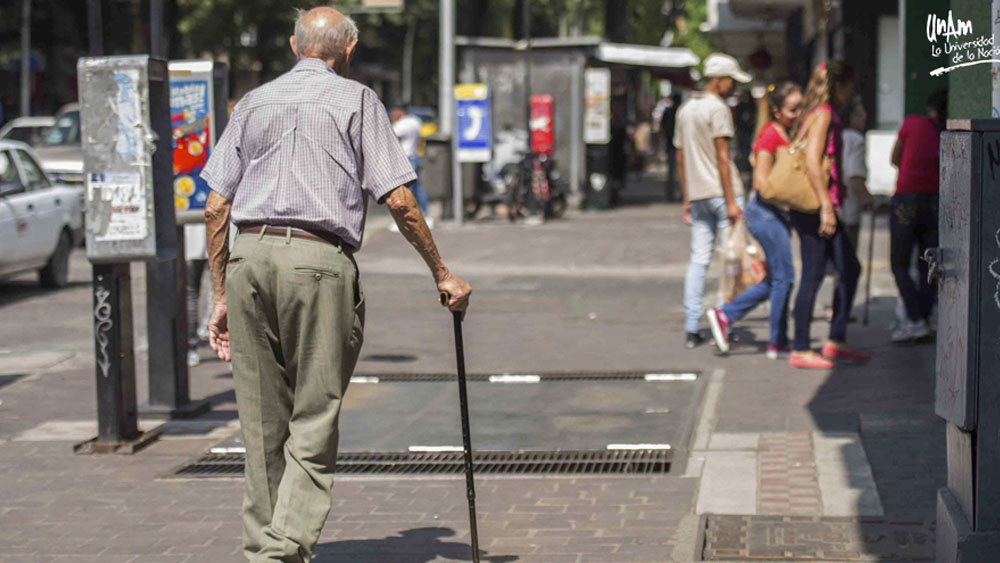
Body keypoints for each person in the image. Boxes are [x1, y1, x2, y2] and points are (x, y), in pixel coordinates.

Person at [200, 8, 471, 562]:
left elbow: (215, 205)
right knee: (314, 413)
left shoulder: (252, 103)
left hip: (248, 257)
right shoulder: (359, 101)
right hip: (318, 262)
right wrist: (441, 272)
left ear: (294, 46)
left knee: (260, 421)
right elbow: (398, 199)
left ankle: (263, 548)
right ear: (348, 50)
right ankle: (281, 549)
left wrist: (221, 293)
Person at [706, 81, 802, 359]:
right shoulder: (770, 136)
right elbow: (761, 182)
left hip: (774, 214)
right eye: (793, 109)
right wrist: (791, 198)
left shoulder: (784, 133)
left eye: (801, 108)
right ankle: (777, 342)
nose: (798, 114)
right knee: (784, 278)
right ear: (777, 111)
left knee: (776, 279)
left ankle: (725, 315)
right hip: (765, 214)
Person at [786, 61, 869, 369]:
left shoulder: (818, 113)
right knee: (814, 274)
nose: (851, 93)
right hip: (814, 208)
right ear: (839, 85)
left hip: (818, 206)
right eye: (850, 87)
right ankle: (800, 348)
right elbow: (811, 162)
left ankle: (835, 340)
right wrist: (825, 206)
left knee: (849, 268)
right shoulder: (822, 114)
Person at [674, 52, 751, 348]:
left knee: (699, 260)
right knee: (729, 262)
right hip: (722, 192)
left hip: (698, 194)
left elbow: (680, 158)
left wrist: (687, 197)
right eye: (731, 81)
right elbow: (722, 157)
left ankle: (692, 327)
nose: (733, 86)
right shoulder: (718, 109)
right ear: (719, 80)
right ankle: (723, 320)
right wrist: (731, 201)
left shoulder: (685, 110)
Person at [888, 89, 946, 342]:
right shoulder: (946, 131)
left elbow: (895, 158)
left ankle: (914, 319)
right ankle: (922, 318)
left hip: (906, 200)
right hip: (933, 201)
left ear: (929, 107)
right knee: (928, 263)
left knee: (899, 264)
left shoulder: (912, 123)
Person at [390, 104, 432, 229]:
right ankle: (425, 215)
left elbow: (390, 136)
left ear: (400, 112)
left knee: (406, 191)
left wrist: (393, 123)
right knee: (418, 189)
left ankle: (407, 219)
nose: (392, 115)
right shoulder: (415, 121)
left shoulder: (402, 124)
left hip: (405, 159)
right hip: (415, 156)